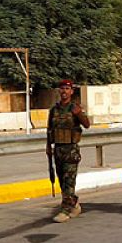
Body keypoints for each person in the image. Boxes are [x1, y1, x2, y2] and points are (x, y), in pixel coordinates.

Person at [46, 79, 90, 222]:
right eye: (62, 89)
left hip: (71, 150)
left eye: (67, 89)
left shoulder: (75, 108)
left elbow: (87, 125)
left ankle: (65, 210)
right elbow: (49, 130)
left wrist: (79, 114)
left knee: (69, 181)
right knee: (62, 181)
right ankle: (74, 204)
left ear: (71, 91)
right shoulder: (54, 110)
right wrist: (48, 147)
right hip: (58, 149)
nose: (64, 91)